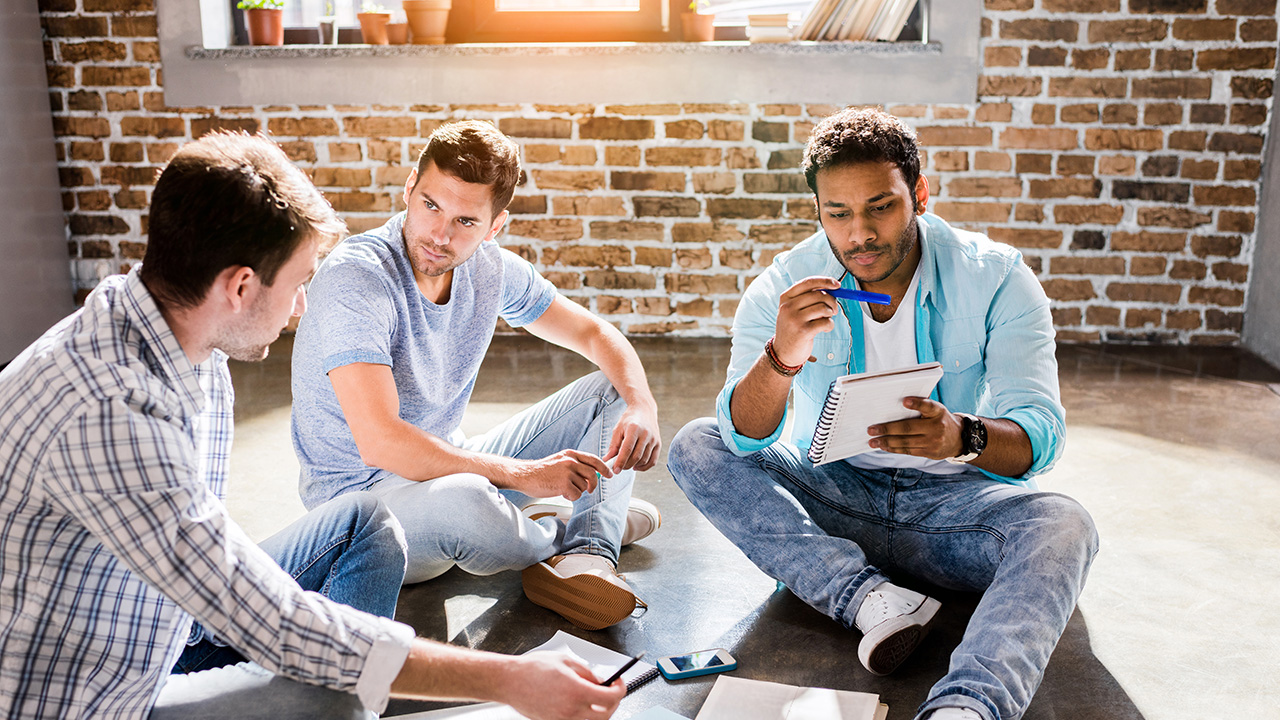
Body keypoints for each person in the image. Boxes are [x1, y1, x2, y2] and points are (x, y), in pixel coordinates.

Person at [0, 132, 627, 720]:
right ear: (241, 286)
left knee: (367, 523)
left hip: (164, 618)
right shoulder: (110, 414)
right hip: (101, 695)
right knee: (334, 692)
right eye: (300, 283)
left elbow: (208, 561)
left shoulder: (181, 341)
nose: (306, 306)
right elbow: (270, 619)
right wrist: (510, 679)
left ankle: (367, 689)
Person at [667, 107, 1099, 720]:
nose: (859, 234)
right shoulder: (785, 284)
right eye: (837, 214)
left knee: (1064, 526)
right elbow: (741, 436)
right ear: (817, 210)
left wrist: (962, 436)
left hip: (955, 514)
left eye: (880, 207)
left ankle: (966, 708)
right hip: (840, 497)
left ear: (918, 194)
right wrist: (781, 357)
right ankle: (870, 600)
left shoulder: (997, 278)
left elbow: (1040, 437)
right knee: (696, 444)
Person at [291, 120, 663, 631]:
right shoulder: (358, 277)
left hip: (450, 467)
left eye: (466, 221)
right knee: (466, 502)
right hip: (363, 509)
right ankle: (572, 526)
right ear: (409, 190)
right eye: (430, 206)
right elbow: (381, 442)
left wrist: (643, 404)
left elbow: (596, 334)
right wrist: (525, 476)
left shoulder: (490, 267)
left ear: (495, 227)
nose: (440, 235)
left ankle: (587, 554)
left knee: (611, 390)